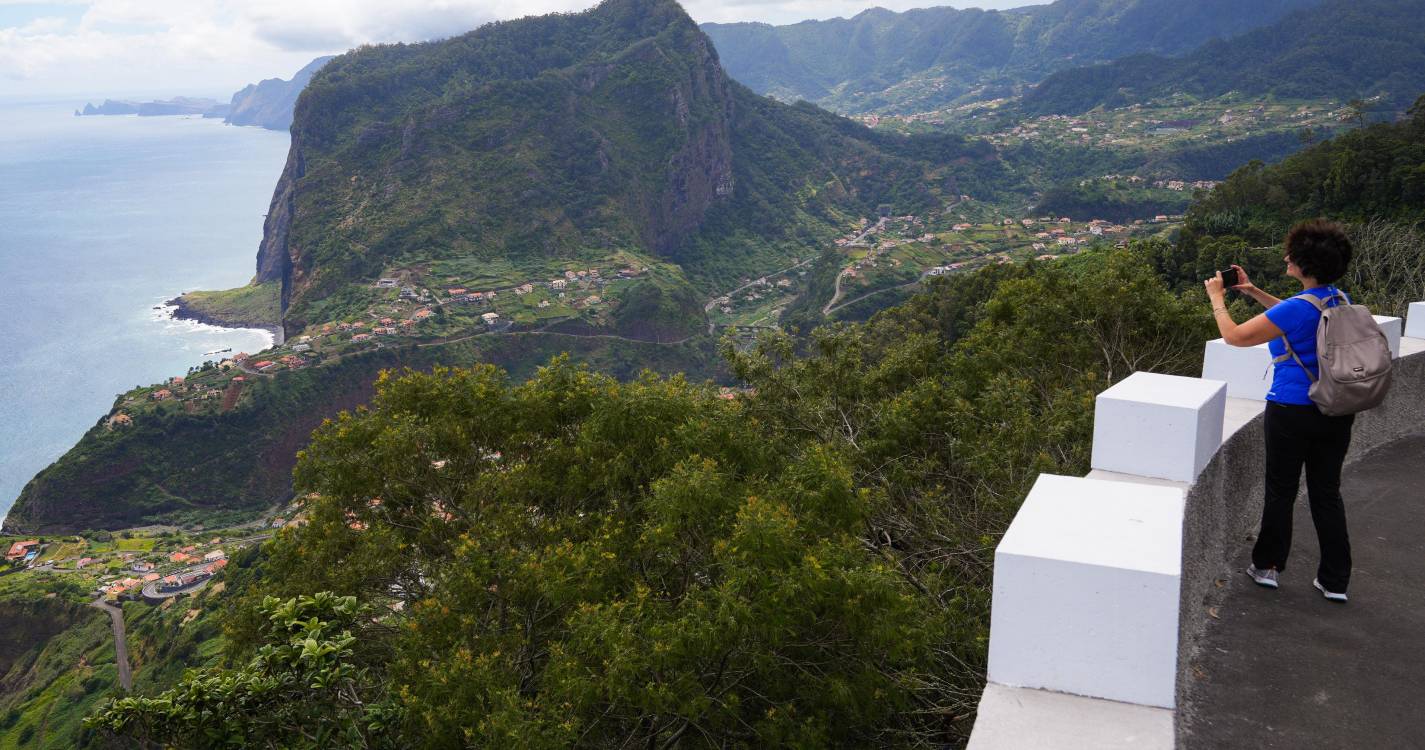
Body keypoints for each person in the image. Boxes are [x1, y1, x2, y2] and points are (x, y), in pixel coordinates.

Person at [1203, 219, 1356, 603]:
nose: (1286, 258)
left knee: (1282, 490)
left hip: (1292, 409)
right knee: (1326, 492)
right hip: (1336, 409)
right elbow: (1293, 314)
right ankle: (1335, 580)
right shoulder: (1339, 300)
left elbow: (1235, 337)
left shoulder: (1299, 309)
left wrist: (1217, 299)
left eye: (1292, 256)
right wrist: (1253, 291)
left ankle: (1268, 565)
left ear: (1304, 266)